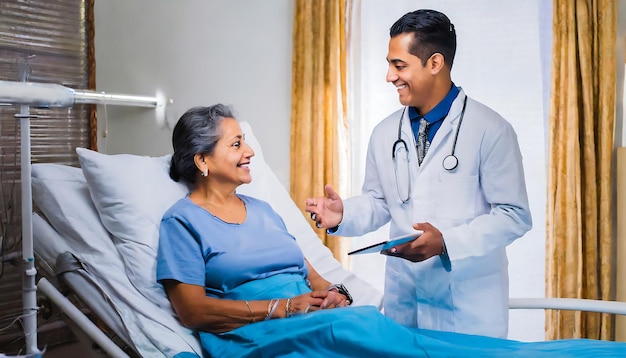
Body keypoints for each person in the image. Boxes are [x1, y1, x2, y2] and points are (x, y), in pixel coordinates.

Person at [156, 104, 626, 357]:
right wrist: (285, 305)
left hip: (321, 318)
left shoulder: (261, 210)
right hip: (262, 334)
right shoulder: (183, 222)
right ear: (201, 160)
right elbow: (194, 311)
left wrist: (334, 291)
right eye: (236, 144)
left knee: (418, 337)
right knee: (374, 329)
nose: (249, 152)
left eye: (398, 63)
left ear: (434, 63)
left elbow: (311, 276)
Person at [305, 9, 532, 338]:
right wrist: (344, 213)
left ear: (435, 64)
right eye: (389, 64)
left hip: (467, 308)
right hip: (405, 301)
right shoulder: (385, 133)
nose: (389, 76)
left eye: (399, 66)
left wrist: (446, 242)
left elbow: (515, 216)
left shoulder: (490, 130)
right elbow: (381, 203)